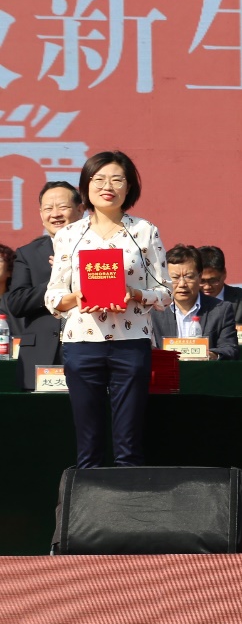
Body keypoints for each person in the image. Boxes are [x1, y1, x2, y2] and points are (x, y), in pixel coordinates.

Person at [44, 150, 172, 467]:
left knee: (129, 445)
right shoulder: (69, 235)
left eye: (117, 179)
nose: (108, 186)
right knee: (89, 447)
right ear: (86, 186)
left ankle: (129, 498)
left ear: (129, 188)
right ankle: (88, 499)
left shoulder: (145, 231)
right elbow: (53, 296)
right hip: (81, 343)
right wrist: (78, 297)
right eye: (99, 179)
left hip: (131, 344)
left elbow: (165, 292)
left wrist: (134, 293)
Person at [6, 182, 85, 390]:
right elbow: (16, 303)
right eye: (48, 208)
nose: (55, 214)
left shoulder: (98, 250)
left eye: (63, 207)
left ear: (80, 210)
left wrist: (76, 272)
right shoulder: (28, 253)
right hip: (40, 355)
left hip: (87, 350)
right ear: (41, 214)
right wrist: (57, 278)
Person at [149, 244, 239, 360]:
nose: (182, 284)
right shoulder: (153, 310)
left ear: (199, 277)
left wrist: (213, 355)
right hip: (167, 370)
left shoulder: (221, 310)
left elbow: (230, 349)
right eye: (175, 278)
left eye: (189, 277)